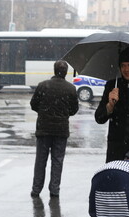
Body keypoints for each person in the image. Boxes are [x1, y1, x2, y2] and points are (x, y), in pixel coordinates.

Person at [30, 60, 79, 198]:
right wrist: (63, 114)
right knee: (57, 161)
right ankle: (54, 189)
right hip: (61, 130)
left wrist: (44, 112)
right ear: (65, 72)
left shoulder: (43, 86)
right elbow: (74, 109)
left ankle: (36, 189)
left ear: (54, 70)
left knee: (41, 160)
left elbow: (33, 104)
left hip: (43, 129)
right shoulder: (70, 89)